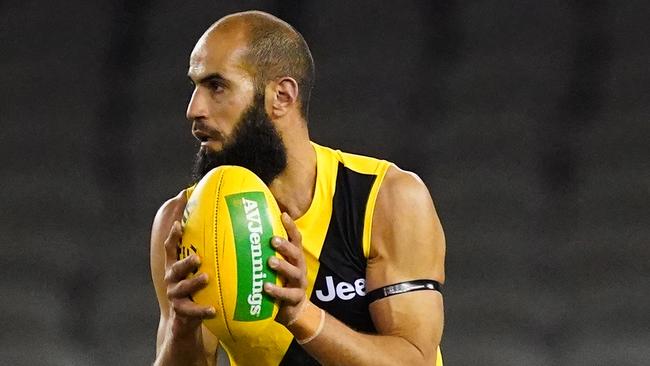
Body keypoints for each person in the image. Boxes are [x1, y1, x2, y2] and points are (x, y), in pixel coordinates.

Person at [150, 10, 445, 366]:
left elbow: (416, 361)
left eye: (216, 86)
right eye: (194, 87)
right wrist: (182, 330)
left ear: (282, 95)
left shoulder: (385, 198)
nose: (193, 109)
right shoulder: (185, 221)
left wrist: (300, 315)